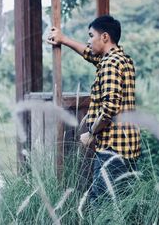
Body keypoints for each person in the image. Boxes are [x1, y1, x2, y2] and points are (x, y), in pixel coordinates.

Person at [47, 15, 140, 204]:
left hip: (113, 148)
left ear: (104, 37)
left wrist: (90, 133)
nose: (88, 41)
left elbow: (109, 109)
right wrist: (63, 39)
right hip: (128, 146)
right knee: (120, 205)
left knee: (99, 205)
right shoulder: (122, 59)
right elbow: (89, 53)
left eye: (91, 35)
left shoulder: (109, 64)